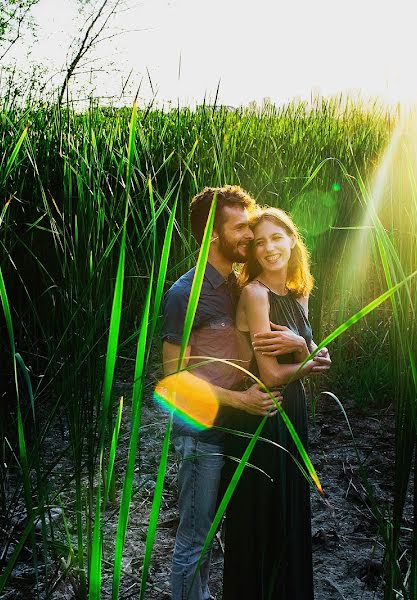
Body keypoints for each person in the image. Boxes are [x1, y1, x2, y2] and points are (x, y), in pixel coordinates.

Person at [161, 186, 310, 600]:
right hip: (204, 435)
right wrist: (240, 401)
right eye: (241, 228)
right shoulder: (183, 294)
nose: (250, 235)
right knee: (197, 541)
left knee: (238, 533)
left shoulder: (236, 285)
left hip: (242, 432)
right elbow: (173, 380)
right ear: (213, 235)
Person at [222, 206, 331, 600]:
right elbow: (269, 375)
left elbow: (314, 354)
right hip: (262, 414)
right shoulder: (255, 294)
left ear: (292, 240)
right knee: (262, 516)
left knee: (289, 511)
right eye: (261, 242)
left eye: (276, 238)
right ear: (252, 254)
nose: (269, 248)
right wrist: (306, 352)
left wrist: (310, 348)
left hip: (293, 410)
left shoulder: (300, 292)